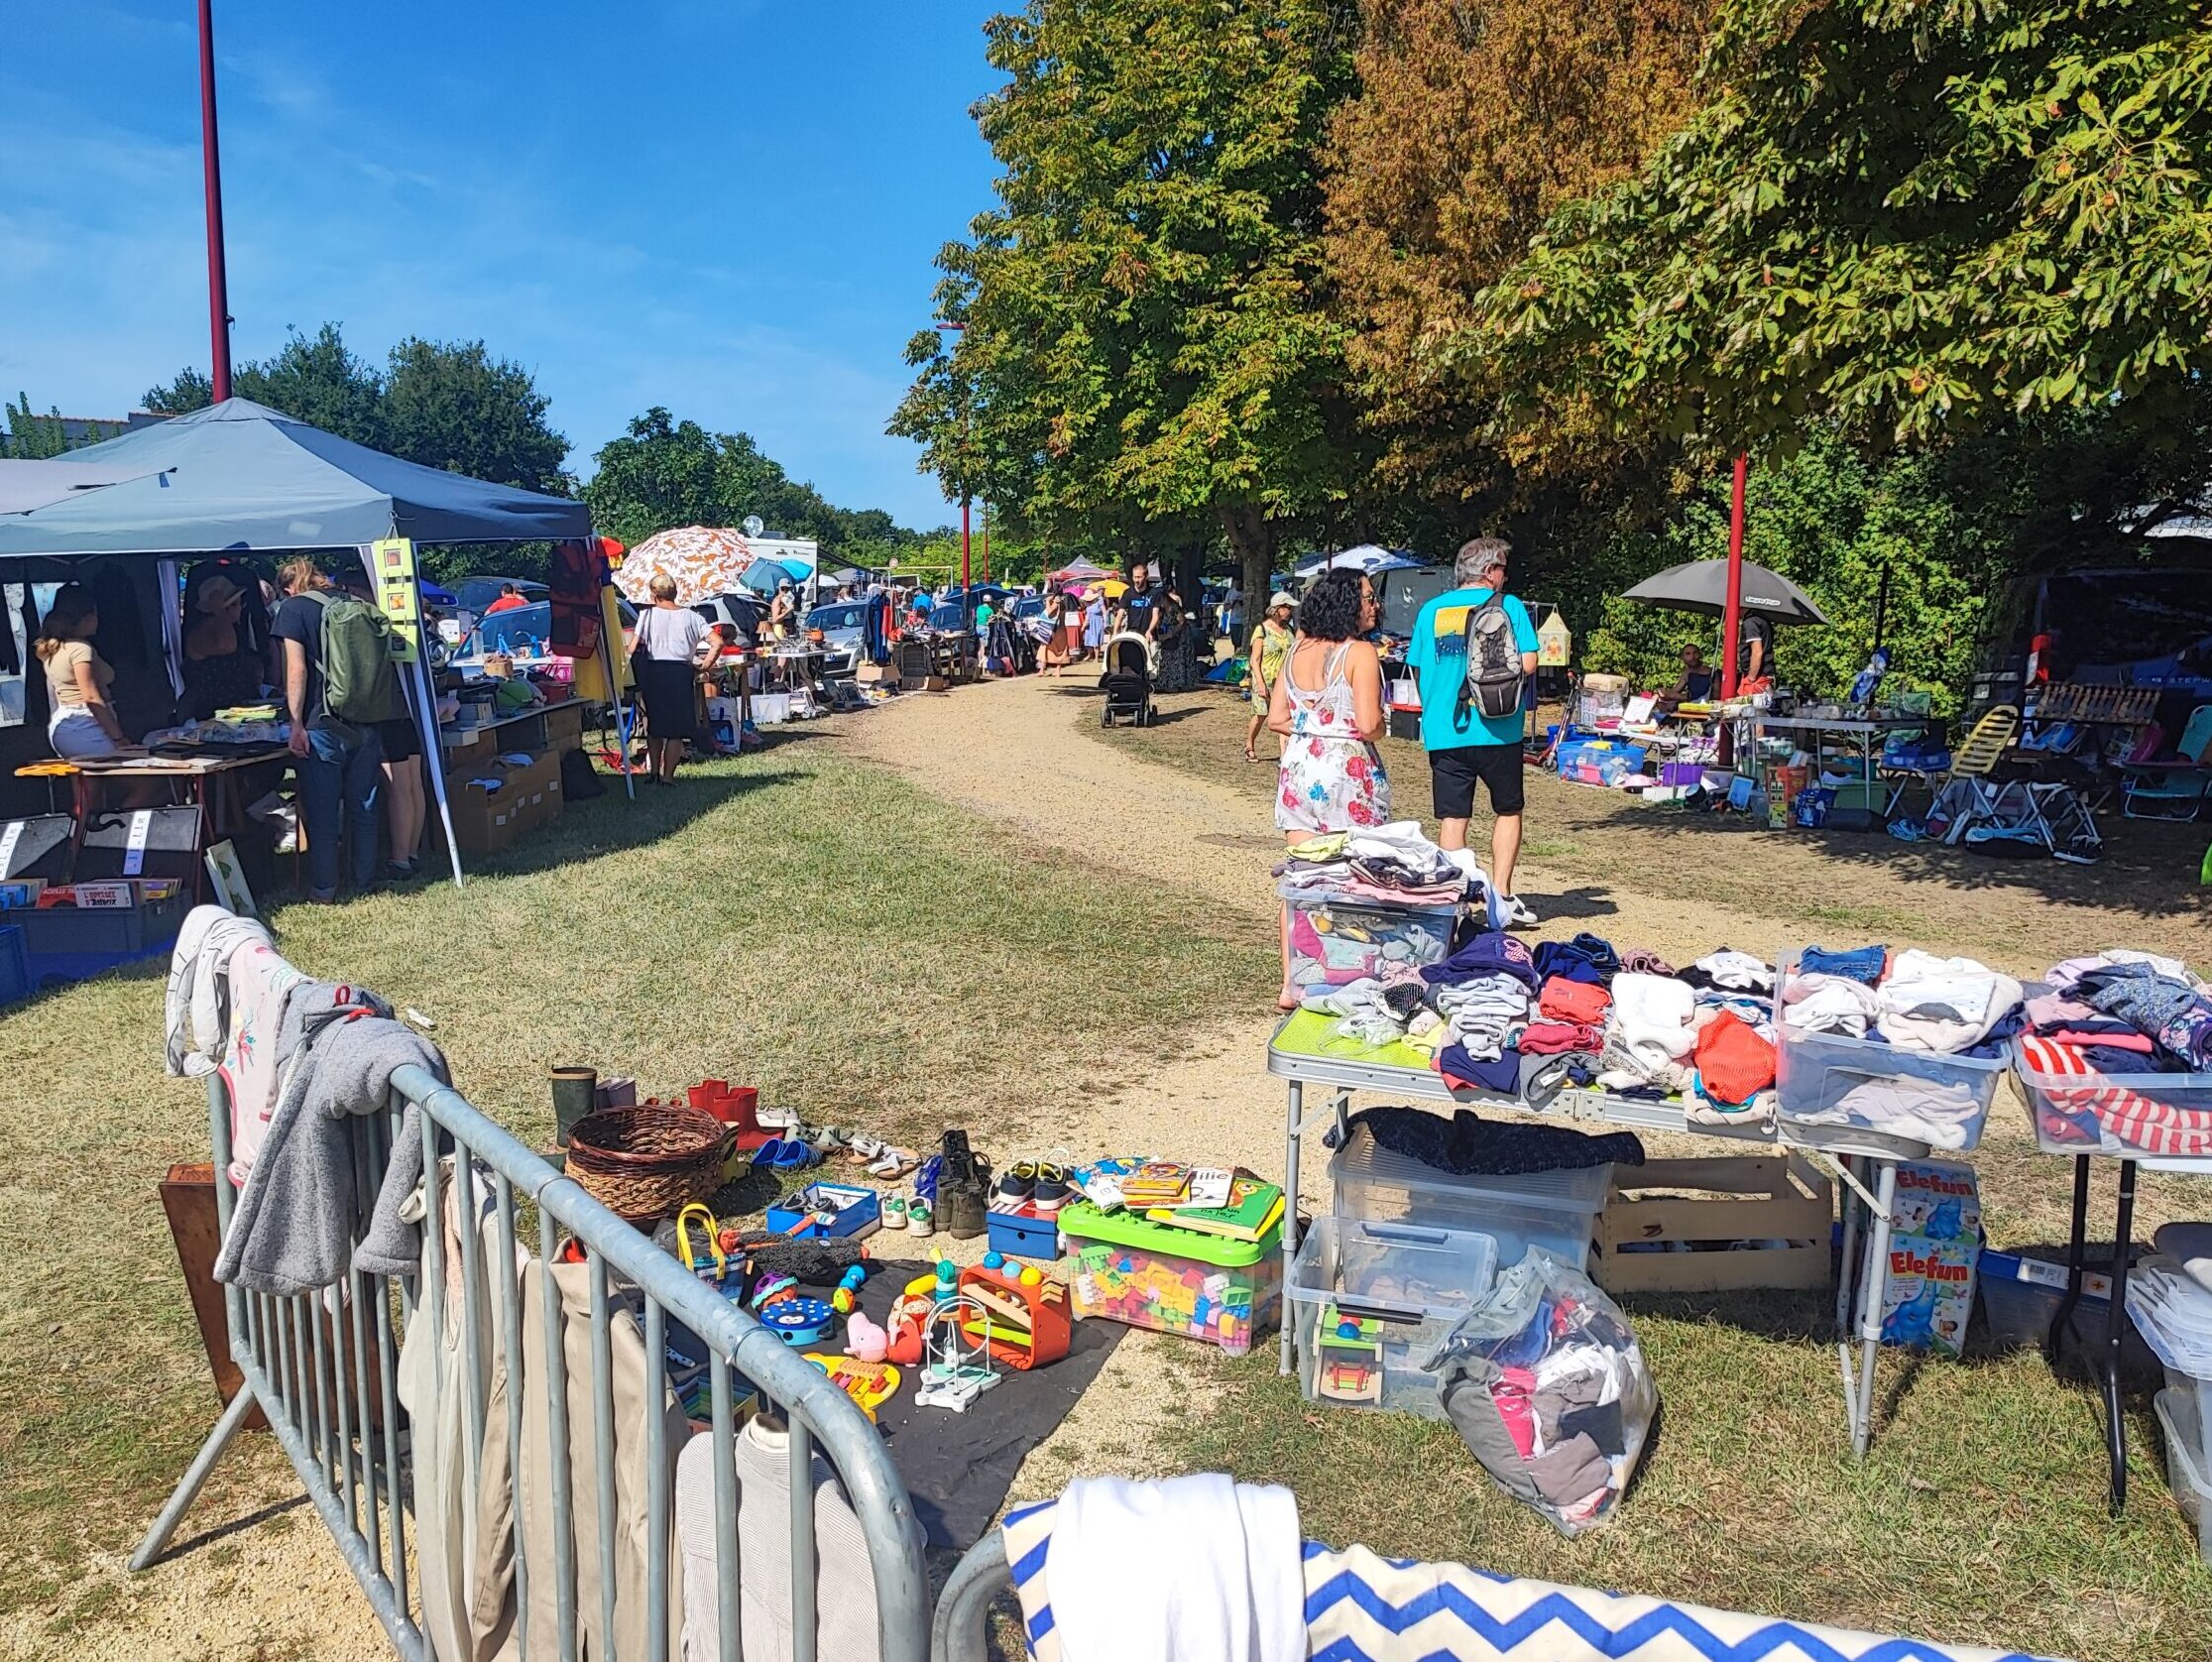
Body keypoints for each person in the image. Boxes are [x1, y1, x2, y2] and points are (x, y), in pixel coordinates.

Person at [1269, 570, 1389, 1007]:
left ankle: (1292, 982)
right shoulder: (1359, 653)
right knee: (1357, 876)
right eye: (1367, 598)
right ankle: (1348, 973)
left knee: (1302, 878)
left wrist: (1312, 725)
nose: (1374, 605)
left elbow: (1276, 717)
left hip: (1300, 767)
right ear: (1346, 604)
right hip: (1346, 769)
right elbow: (1370, 723)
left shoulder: (1296, 649)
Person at [1407, 536, 1540, 927]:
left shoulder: (1430, 611)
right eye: (1501, 570)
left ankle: (1453, 900)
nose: (1505, 577)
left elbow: (1417, 667)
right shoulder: (1509, 606)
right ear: (1488, 572)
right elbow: (1529, 663)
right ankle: (1502, 896)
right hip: (1498, 728)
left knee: (1453, 818)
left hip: (1445, 728)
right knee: (1508, 809)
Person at [273, 556, 386, 903]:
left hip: (321, 722)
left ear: (288, 586)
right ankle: (365, 881)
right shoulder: (351, 601)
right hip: (365, 716)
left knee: (323, 813)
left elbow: (296, 669)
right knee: (363, 806)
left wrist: (294, 723)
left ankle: (325, 888)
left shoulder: (292, 609)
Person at [36, 583, 133, 759]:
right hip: (87, 725)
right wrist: (119, 738)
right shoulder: (81, 649)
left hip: (64, 724)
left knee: (86, 785)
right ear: (87, 616)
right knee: (144, 783)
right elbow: (90, 697)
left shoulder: (55, 648)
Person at [632, 572, 710, 784]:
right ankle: (668, 777)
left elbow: (632, 647)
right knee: (676, 729)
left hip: (654, 671)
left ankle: (653, 772)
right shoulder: (692, 617)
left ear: (654, 594)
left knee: (655, 725)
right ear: (675, 592)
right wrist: (704, 666)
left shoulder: (646, 615)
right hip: (680, 672)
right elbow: (718, 641)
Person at [179, 573, 266, 722]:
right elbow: (226, 645)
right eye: (237, 603)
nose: (241, 608)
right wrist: (218, 609)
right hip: (209, 713)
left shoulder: (236, 631)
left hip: (240, 711)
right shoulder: (200, 633)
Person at [1243, 590, 1296, 763]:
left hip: (1284, 680)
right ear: (1278, 608)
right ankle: (1249, 744)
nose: (1291, 611)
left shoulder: (1289, 630)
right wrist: (1260, 683)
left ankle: (1284, 755)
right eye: (1288, 607)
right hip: (1265, 678)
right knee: (1261, 715)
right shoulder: (1262, 630)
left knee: (1285, 716)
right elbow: (1255, 659)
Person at [1121, 565, 1161, 641]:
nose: (1136, 580)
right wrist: (1114, 632)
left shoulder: (1154, 593)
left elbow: (1155, 615)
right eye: (1135, 577)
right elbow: (1120, 614)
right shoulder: (1128, 593)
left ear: (1146, 576)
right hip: (1132, 634)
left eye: (1139, 577)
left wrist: (1149, 630)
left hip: (1149, 635)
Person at [1736, 612, 1772, 687]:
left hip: (1757, 678)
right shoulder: (1760, 619)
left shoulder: (1750, 622)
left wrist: (1751, 678)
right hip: (1764, 674)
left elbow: (1757, 652)